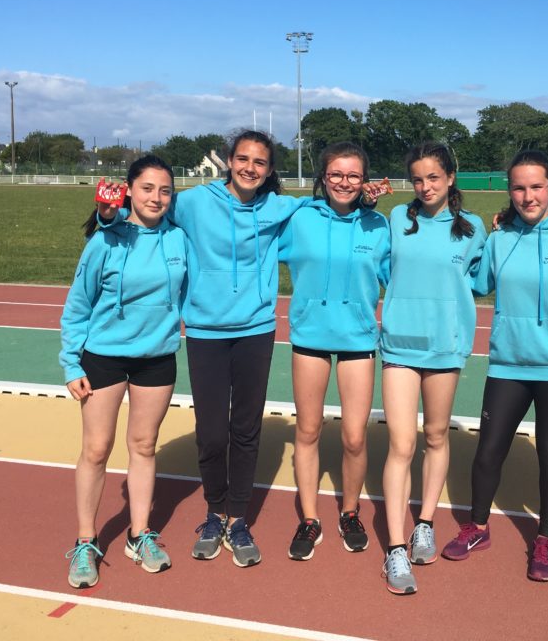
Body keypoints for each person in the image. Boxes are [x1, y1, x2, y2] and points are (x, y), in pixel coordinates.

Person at [98, 131, 306, 568]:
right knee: (212, 432)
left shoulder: (278, 207)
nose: (251, 168)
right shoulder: (192, 202)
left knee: (246, 429)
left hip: (256, 330)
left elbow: (326, 207)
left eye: (261, 162)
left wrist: (363, 198)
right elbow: (142, 209)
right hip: (206, 332)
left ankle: (238, 519)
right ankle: (214, 512)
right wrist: (105, 215)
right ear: (229, 160)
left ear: (270, 170)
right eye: (243, 158)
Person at [441, 149, 548, 583]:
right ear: (510, 191)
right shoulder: (500, 238)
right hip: (507, 364)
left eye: (536, 186)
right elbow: (475, 280)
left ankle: (545, 539)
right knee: (488, 451)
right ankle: (477, 528)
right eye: (519, 187)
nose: (528, 195)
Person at [61, 155, 186, 588]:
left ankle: (139, 534)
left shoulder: (179, 240)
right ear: (129, 190)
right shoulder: (105, 241)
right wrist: (71, 362)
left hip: (157, 356)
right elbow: (78, 305)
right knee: (96, 448)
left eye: (165, 190)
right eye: (148, 188)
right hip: (104, 357)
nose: (156, 197)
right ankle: (85, 540)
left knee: (144, 446)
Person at [379, 141, 486, 595]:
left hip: (446, 346)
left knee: (437, 437)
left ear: (451, 178)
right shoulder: (396, 219)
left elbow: (480, 281)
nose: (425, 187)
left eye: (434, 178)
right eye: (418, 179)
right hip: (400, 345)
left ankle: (425, 521)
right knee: (401, 444)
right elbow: (384, 269)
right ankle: (397, 549)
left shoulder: (475, 228)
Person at [278, 141, 391, 561]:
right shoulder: (299, 218)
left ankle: (349, 511)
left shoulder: (377, 225)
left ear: (365, 180)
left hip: (358, 341)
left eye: (353, 175)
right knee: (307, 432)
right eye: (336, 174)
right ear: (322, 178)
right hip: (310, 337)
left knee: (355, 437)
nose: (344, 182)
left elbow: (398, 274)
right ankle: (309, 518)